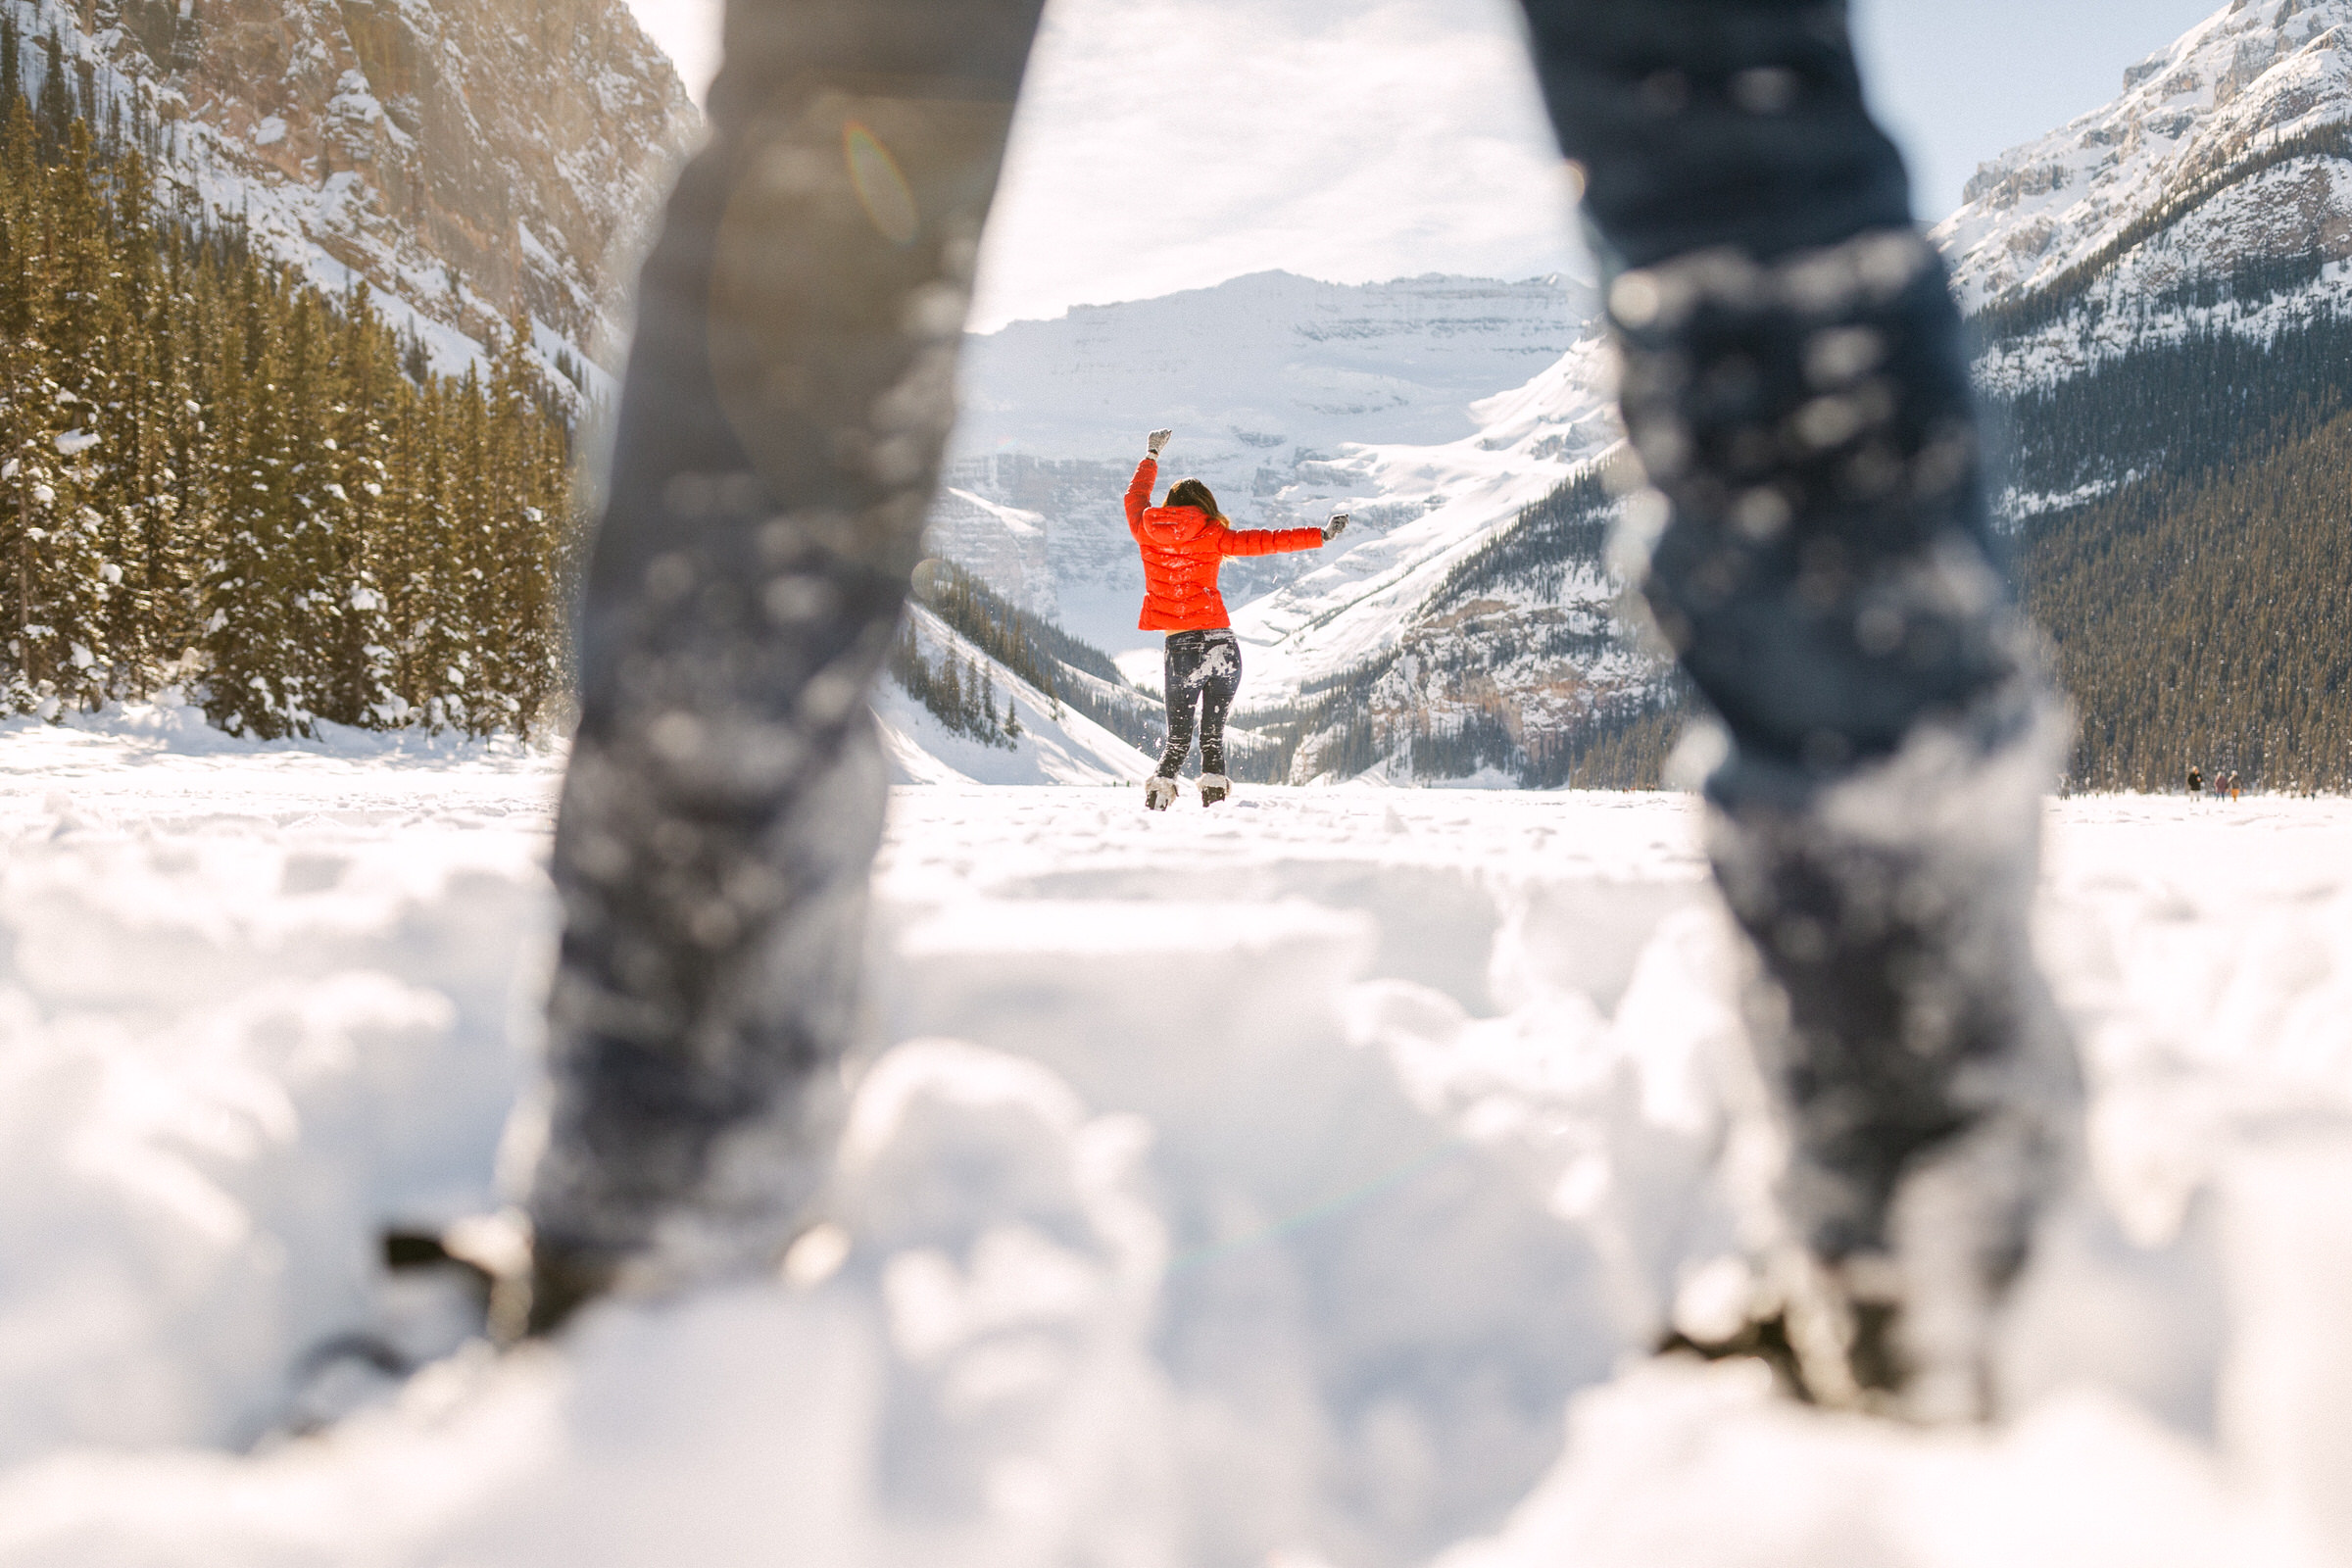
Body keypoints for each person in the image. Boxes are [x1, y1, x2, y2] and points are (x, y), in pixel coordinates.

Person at [511, 0, 2083, 1425]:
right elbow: (1195, 524)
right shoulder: (1179, 531)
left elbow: (1185, 524)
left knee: (833, 126)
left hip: (1187, 634)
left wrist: (1233, 515)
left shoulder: (1169, 534)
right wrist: (1230, 514)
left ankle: (668, 1153)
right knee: (1732, 115)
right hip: (1196, 637)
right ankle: (1917, 1146)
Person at [1125, 427, 1342, 809]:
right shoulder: (1213, 532)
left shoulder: (1144, 527)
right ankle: (1218, 818)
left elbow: (1135, 496)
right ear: (1204, 505)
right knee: (1212, 735)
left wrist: (1152, 455)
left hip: (1182, 647)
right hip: (1222, 645)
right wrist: (1320, 536)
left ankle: (1155, 812)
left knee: (1178, 738)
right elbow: (1265, 541)